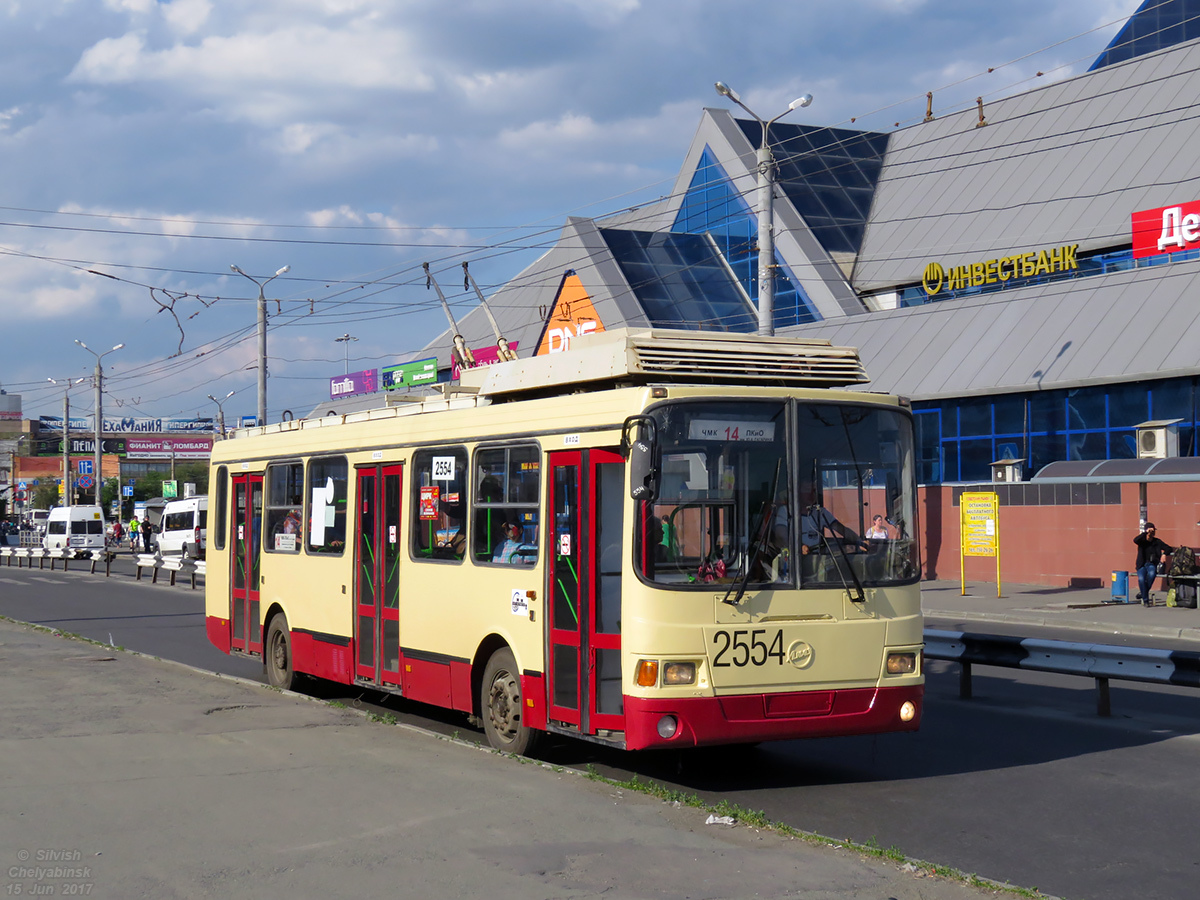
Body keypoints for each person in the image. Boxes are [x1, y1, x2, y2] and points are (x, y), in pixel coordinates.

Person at [1133, 522, 1173, 606]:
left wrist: (1164, 554)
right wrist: (1145, 533)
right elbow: (1135, 540)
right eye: (1151, 531)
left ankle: (1143, 593)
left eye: (1153, 531)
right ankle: (1146, 600)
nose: (1152, 533)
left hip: (1151, 564)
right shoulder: (1142, 541)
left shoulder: (1157, 542)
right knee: (1141, 579)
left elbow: (1169, 548)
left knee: (1152, 574)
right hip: (1141, 564)